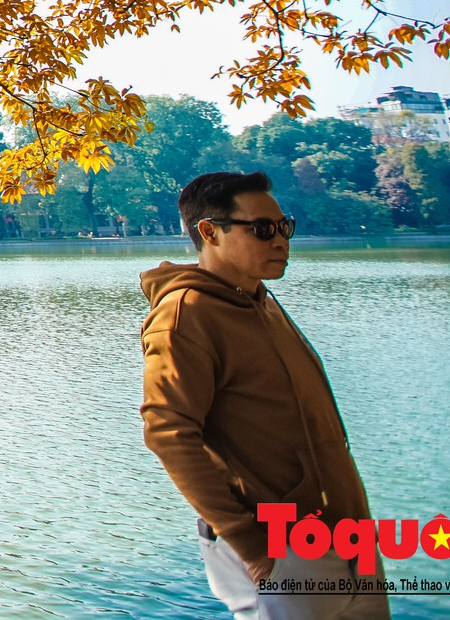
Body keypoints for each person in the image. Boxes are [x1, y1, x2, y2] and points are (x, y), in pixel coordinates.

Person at [138, 171, 388, 619]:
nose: (280, 241)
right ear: (209, 233)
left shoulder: (260, 300)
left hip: (347, 534)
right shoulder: (185, 315)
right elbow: (167, 433)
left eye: (284, 227)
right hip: (278, 544)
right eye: (262, 229)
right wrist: (252, 546)